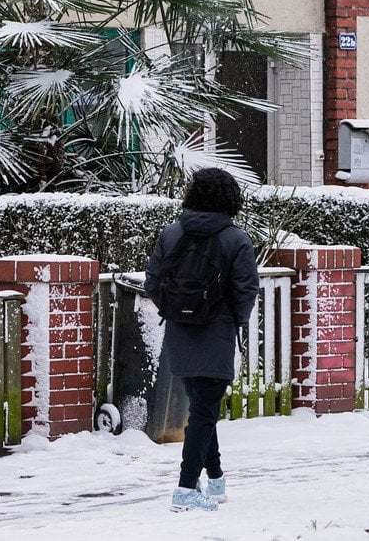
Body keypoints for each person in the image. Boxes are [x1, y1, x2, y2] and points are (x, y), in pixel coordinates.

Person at [144, 167, 260, 512]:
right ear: (230, 199)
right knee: (205, 413)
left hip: (180, 332)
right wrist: (234, 320)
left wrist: (178, 310)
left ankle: (216, 478)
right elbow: (245, 290)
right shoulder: (236, 239)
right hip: (217, 331)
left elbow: (152, 282)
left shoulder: (172, 233)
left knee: (201, 410)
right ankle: (184, 490)